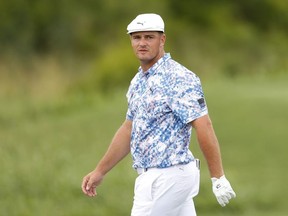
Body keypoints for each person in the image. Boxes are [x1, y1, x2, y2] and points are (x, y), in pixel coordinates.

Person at [81, 13, 236, 216]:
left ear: (162, 39)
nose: (142, 43)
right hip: (151, 178)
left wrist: (218, 177)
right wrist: (100, 171)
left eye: (149, 37)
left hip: (170, 177)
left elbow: (203, 124)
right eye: (137, 38)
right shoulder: (138, 81)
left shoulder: (178, 77)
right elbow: (129, 128)